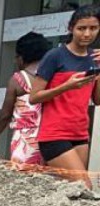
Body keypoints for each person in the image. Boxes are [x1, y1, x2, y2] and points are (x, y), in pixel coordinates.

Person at [28, 6, 100, 184]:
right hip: (54, 134)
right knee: (84, 185)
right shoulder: (55, 56)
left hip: (80, 133)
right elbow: (34, 97)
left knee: (72, 192)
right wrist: (65, 86)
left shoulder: (95, 57)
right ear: (70, 28)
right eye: (81, 28)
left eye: (93, 28)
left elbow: (97, 100)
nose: (87, 34)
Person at [0, 32, 52, 167]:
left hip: (25, 141)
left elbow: (5, 115)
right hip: (50, 138)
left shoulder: (18, 80)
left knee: (22, 180)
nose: (15, 61)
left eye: (16, 57)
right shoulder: (52, 77)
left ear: (22, 57)